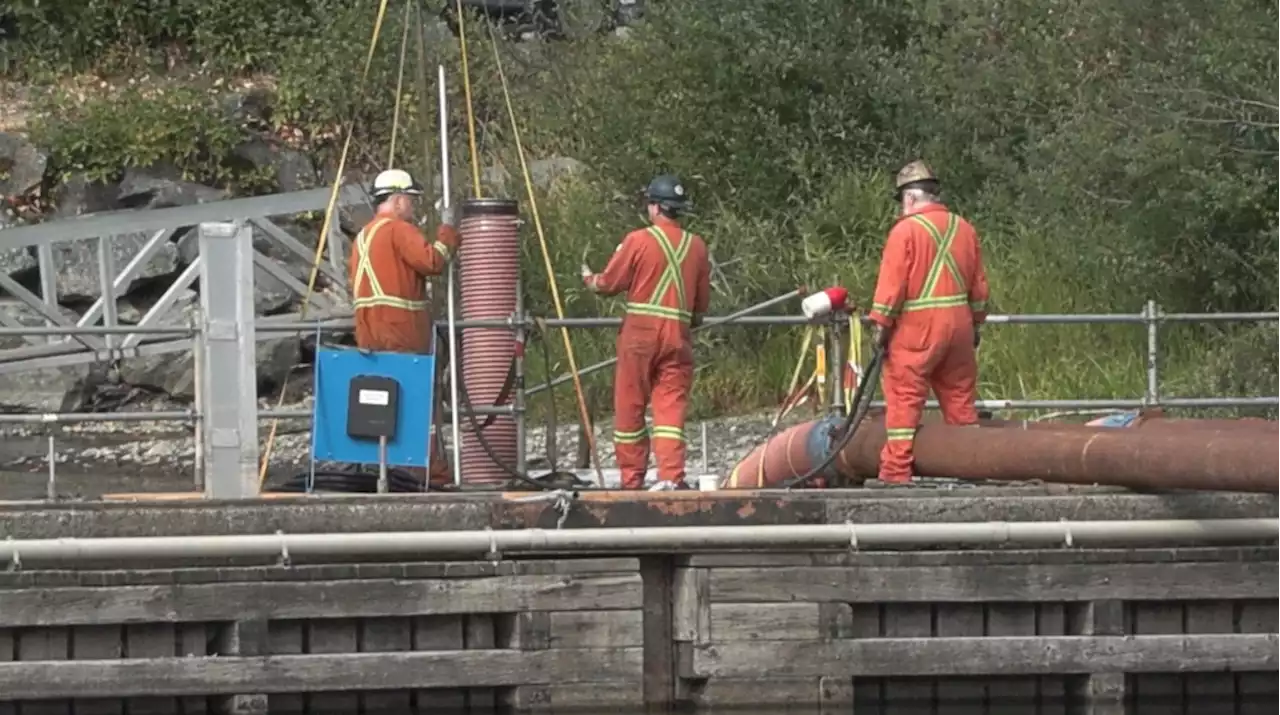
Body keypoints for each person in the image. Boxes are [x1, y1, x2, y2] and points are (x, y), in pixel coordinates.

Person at [582, 174, 711, 490]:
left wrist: (589, 278)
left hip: (640, 334)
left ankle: (632, 479)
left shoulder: (638, 240)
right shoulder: (696, 246)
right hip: (678, 336)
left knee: (630, 405)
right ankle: (671, 476)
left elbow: (609, 284)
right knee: (670, 408)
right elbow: (701, 305)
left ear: (654, 207)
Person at [867, 160, 990, 483]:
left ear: (909, 199)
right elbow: (979, 288)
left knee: (904, 402)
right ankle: (970, 468)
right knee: (961, 404)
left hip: (917, 330)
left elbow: (891, 289)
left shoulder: (904, 231)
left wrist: (880, 326)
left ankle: (896, 473)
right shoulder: (963, 228)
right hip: (960, 328)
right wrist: (975, 322)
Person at [348, 168, 459, 485]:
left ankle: (387, 468)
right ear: (397, 201)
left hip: (369, 332)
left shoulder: (363, 236)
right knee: (418, 400)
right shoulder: (398, 230)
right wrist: (447, 231)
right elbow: (432, 262)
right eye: (410, 200)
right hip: (402, 330)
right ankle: (429, 473)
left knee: (383, 400)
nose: (412, 207)